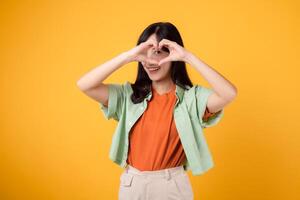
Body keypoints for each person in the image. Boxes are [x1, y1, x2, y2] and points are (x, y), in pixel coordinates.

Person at [77, 22, 237, 200]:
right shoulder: (128, 96)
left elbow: (228, 94)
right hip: (133, 185)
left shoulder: (191, 100)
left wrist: (188, 57)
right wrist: (128, 56)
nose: (150, 60)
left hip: (171, 186)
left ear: (173, 55)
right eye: (145, 52)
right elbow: (85, 85)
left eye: (158, 52)